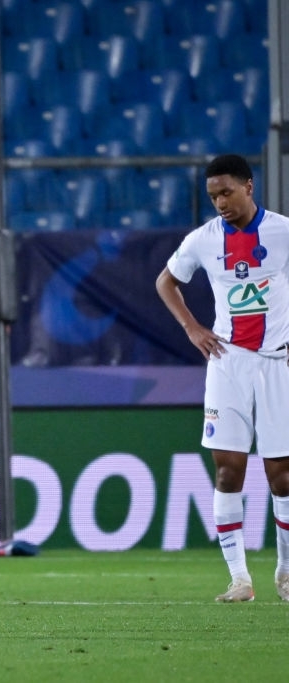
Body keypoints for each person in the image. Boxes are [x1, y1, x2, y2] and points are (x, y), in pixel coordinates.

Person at [156, 153, 289, 603]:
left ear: (249, 187)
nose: (220, 203)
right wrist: (193, 328)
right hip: (227, 363)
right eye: (213, 196)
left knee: (282, 477)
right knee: (228, 471)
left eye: (227, 192)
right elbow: (166, 282)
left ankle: (286, 571)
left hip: (277, 364)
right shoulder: (202, 240)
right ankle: (239, 580)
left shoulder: (283, 231)